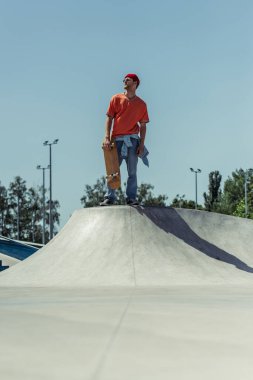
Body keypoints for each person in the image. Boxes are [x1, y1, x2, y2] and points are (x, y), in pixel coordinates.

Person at [100, 73, 149, 206]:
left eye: (127, 80)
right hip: (116, 140)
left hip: (132, 141)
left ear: (135, 84)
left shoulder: (141, 104)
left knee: (132, 171)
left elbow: (143, 126)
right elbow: (109, 118)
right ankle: (109, 197)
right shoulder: (116, 98)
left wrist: (141, 144)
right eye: (124, 79)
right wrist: (106, 138)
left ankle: (131, 198)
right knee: (112, 169)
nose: (124, 81)